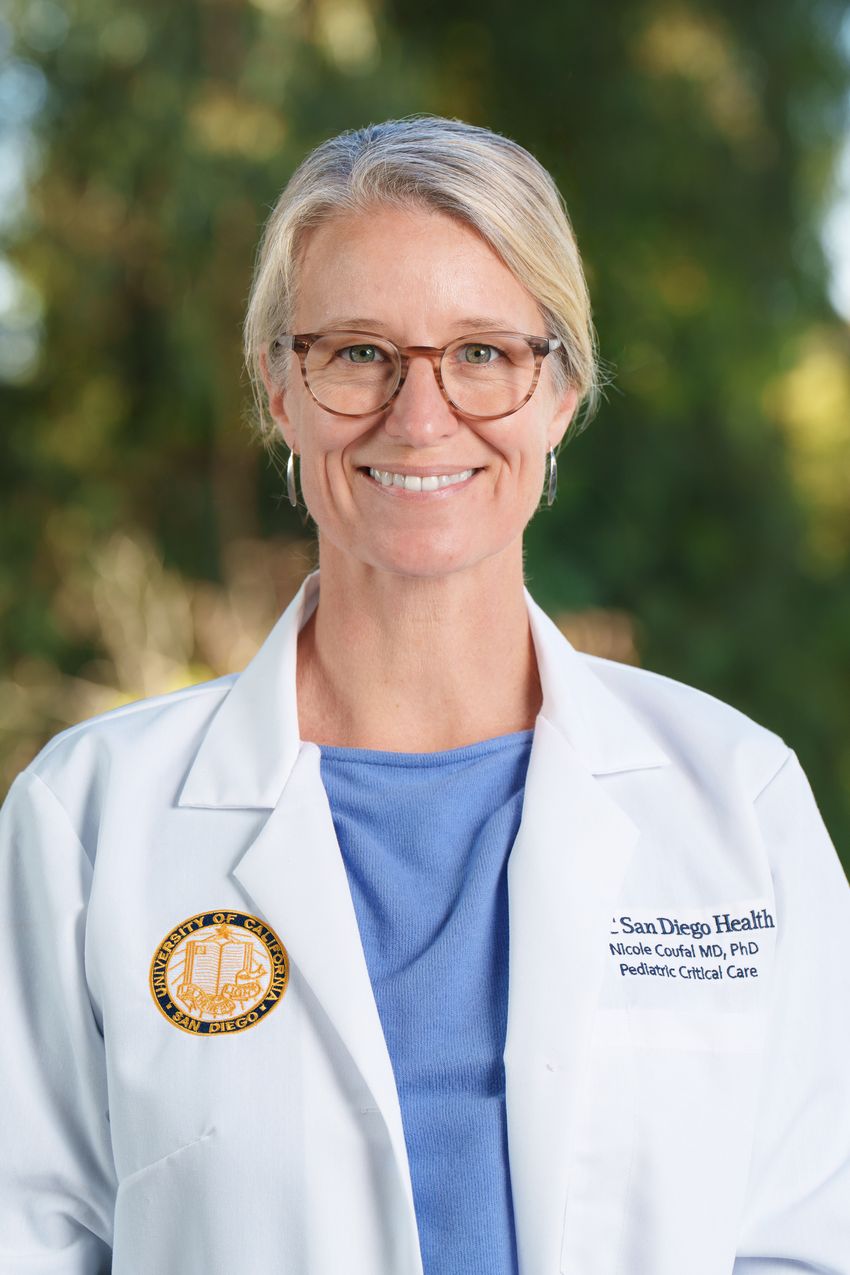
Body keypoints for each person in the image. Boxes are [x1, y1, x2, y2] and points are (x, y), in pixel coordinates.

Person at [0, 116, 848, 1275]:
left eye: (483, 354)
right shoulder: (87, 821)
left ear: (560, 392)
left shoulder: (734, 800)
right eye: (357, 352)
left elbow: (810, 1238)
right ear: (279, 392)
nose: (420, 414)